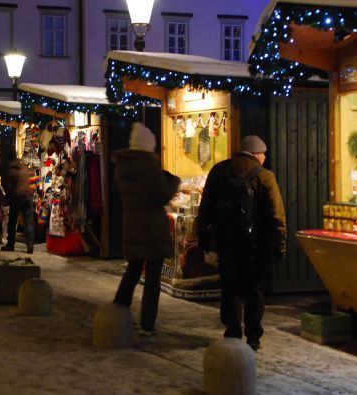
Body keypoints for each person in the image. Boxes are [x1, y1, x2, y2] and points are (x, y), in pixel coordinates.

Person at [197, 134, 287, 352]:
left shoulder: (219, 171)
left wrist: (204, 236)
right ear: (256, 153)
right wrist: (280, 244)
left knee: (230, 286)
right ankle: (253, 336)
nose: (265, 157)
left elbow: (205, 206)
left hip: (227, 241)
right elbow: (277, 215)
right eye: (263, 153)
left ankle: (232, 331)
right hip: (256, 244)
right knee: (254, 288)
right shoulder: (264, 176)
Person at [111, 122, 180, 336]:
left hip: (131, 224)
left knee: (132, 271)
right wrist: (173, 182)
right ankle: (148, 324)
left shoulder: (122, 166)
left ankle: (116, 313)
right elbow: (161, 194)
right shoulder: (148, 166)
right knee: (152, 278)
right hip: (151, 229)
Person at [0, 154, 36, 254]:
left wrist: (9, 196)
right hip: (28, 196)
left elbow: (7, 186)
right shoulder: (26, 169)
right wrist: (31, 190)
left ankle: (10, 244)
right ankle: (30, 245)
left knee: (13, 221)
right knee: (29, 221)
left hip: (17, 197)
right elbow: (36, 180)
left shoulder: (10, 171)